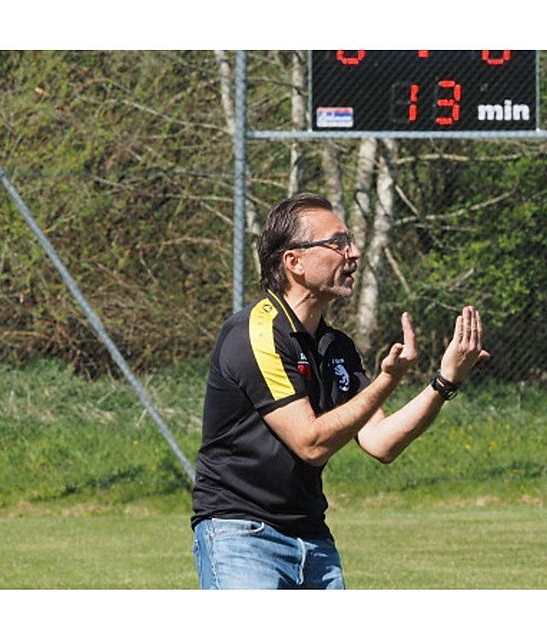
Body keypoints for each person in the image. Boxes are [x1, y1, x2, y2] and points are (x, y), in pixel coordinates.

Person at [191, 192, 488, 589]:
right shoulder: (256, 332)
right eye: (338, 243)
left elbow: (382, 442)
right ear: (293, 261)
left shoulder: (337, 346)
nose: (355, 253)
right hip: (242, 534)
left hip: (313, 538)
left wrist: (445, 380)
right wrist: (387, 380)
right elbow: (310, 443)